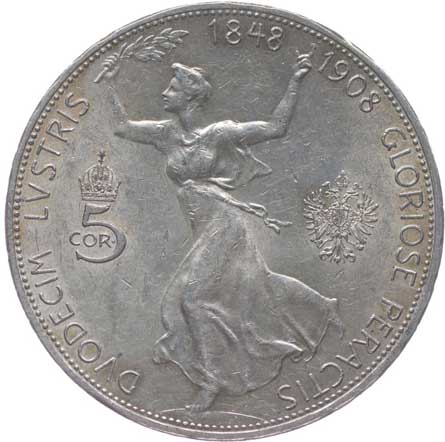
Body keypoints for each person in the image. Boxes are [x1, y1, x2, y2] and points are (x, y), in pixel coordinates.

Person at [108, 54, 344, 412]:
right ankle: (324, 308)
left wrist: (295, 81)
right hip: (203, 226)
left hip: (224, 224)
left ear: (190, 97)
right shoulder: (166, 134)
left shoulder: (219, 134)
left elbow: (275, 127)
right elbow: (122, 127)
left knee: (190, 300)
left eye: (172, 88)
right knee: (258, 284)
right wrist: (108, 83)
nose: (164, 92)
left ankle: (211, 382)